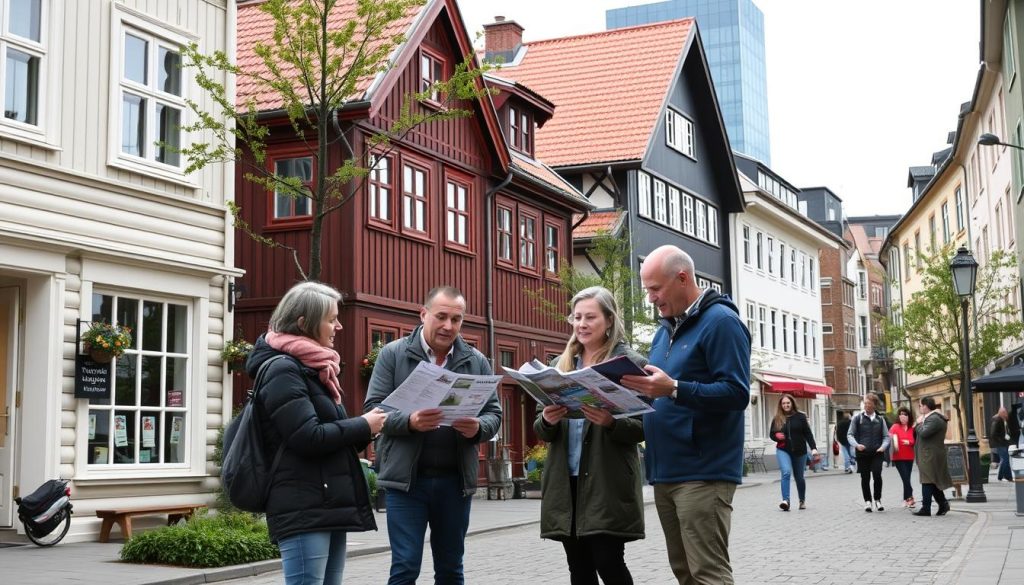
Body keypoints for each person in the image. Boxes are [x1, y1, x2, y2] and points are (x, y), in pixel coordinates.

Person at [620, 245, 750, 585]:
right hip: (666, 471)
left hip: (703, 471)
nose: (650, 298)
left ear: (682, 278)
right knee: (685, 572)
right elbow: (659, 392)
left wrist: (675, 387)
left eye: (655, 289)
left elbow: (737, 393)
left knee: (708, 573)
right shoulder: (664, 331)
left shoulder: (722, 322)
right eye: (646, 289)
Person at [245, 281, 388, 585]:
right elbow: (307, 436)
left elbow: (330, 436)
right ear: (304, 323)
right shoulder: (282, 369)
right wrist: (362, 425)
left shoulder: (316, 368)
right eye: (331, 319)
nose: (338, 326)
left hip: (326, 501)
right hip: (303, 505)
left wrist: (369, 428)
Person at [363, 286, 502, 585]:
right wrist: (410, 421)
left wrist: (479, 428)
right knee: (405, 567)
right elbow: (373, 411)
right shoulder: (393, 354)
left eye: (456, 319)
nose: (448, 326)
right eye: (441, 317)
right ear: (423, 314)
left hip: (455, 483)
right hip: (406, 483)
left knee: (451, 569)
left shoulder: (476, 360)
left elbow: (494, 414)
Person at [535, 286, 647, 584]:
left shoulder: (629, 365)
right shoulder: (560, 364)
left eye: (590, 317)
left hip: (605, 480)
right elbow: (540, 428)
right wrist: (547, 419)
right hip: (565, 480)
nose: (581, 324)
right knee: (578, 566)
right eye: (576, 317)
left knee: (608, 561)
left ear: (609, 321)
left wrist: (611, 422)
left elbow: (643, 427)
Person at [768, 395, 817, 511]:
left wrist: (813, 448)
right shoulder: (777, 418)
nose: (786, 405)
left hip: (800, 451)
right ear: (781, 405)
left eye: (788, 403)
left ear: (792, 403)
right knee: (785, 472)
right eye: (783, 403)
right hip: (783, 449)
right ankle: (786, 500)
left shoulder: (800, 417)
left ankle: (802, 500)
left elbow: (808, 434)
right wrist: (776, 436)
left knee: (799, 477)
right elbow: (771, 434)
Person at [847, 393, 890, 512]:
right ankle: (867, 501)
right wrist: (856, 445)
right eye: (865, 403)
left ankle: (877, 500)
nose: (866, 406)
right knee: (865, 477)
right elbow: (849, 434)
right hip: (863, 453)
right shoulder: (857, 418)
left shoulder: (880, 419)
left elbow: (886, 436)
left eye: (869, 404)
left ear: (874, 405)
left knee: (877, 474)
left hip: (877, 452)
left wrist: (883, 447)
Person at [913, 396, 952, 517]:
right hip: (928, 454)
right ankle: (943, 504)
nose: (919, 408)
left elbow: (924, 433)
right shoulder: (932, 418)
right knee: (932, 481)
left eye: (920, 405)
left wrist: (918, 424)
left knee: (927, 481)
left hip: (929, 455)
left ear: (925, 406)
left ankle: (926, 508)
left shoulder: (933, 419)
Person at [889, 406, 917, 508]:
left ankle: (906, 500)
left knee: (907, 478)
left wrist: (908, 442)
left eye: (905, 414)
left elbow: (915, 442)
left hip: (909, 456)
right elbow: (889, 439)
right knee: (905, 478)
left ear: (909, 416)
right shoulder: (894, 427)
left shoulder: (912, 429)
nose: (902, 416)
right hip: (898, 457)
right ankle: (910, 498)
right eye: (900, 414)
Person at [990, 407, 1013, 482]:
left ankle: (1007, 476)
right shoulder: (997, 420)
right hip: (1000, 444)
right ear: (1002, 413)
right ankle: (1003, 476)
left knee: (1005, 460)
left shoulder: (1001, 419)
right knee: (1005, 459)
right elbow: (993, 433)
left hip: (1002, 443)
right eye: (1005, 413)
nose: (1006, 415)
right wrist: (1001, 440)